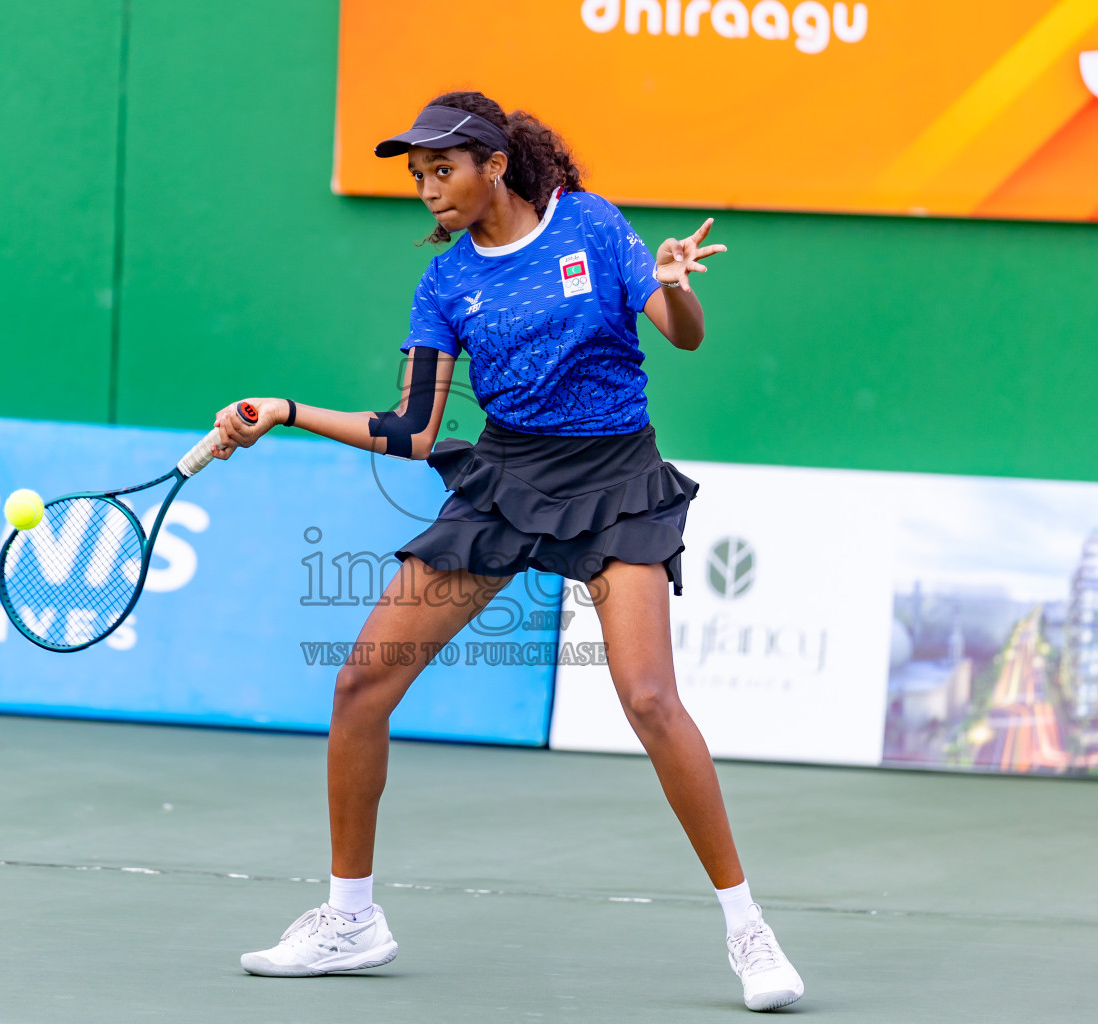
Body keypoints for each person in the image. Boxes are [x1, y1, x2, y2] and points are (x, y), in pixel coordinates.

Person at [208, 91, 804, 1012]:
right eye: (417, 176)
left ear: (493, 165)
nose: (427, 189)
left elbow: (681, 336)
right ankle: (350, 920)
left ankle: (748, 928)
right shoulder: (446, 284)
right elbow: (413, 429)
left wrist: (677, 286)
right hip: (505, 479)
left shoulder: (592, 227)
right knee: (362, 683)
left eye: (441, 170)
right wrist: (285, 411)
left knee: (650, 698)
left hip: (614, 479)